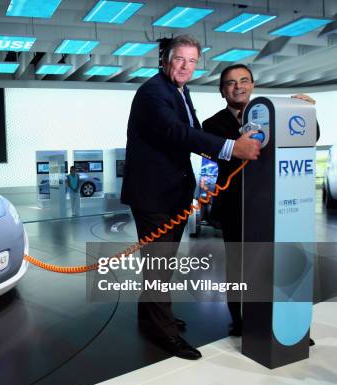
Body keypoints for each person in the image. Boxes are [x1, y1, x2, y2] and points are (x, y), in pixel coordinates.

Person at [121, 35, 261, 360]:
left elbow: (196, 131)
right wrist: (230, 148)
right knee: (158, 266)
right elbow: (177, 133)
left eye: (192, 61)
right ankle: (164, 334)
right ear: (165, 60)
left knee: (162, 264)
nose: (185, 66)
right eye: (179, 59)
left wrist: (235, 139)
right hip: (154, 197)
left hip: (173, 194)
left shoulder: (180, 91)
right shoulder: (153, 93)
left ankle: (150, 317)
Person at [202, 64, 318, 344]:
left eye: (244, 80)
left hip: (274, 207)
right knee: (239, 266)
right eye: (230, 83)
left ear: (253, 85)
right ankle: (240, 321)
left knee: (276, 263)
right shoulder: (211, 125)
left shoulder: (274, 115)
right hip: (236, 208)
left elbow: (309, 137)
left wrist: (305, 113)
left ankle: (283, 322)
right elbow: (221, 156)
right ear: (222, 91)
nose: (238, 86)